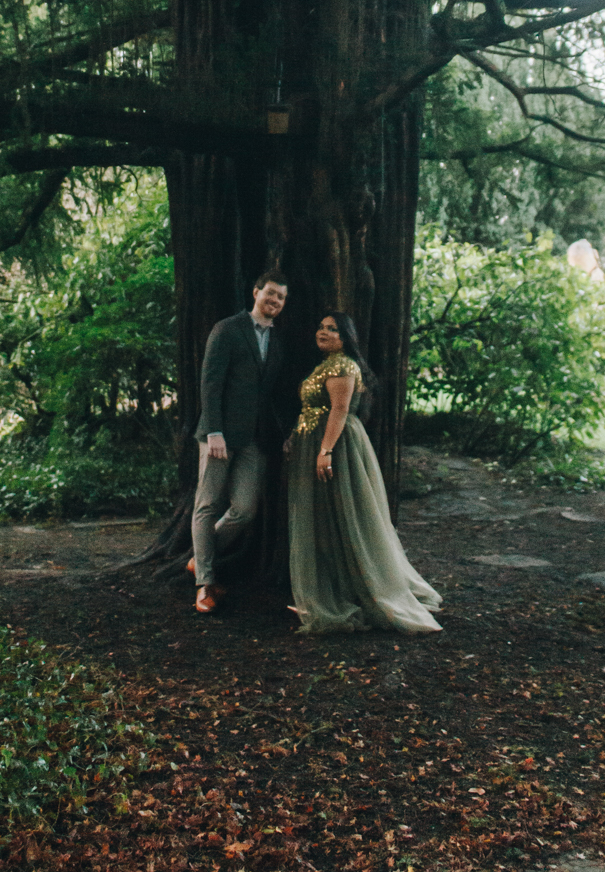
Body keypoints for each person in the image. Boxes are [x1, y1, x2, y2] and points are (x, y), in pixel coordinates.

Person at [286, 311, 442, 635]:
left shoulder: (343, 366)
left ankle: (364, 593)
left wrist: (325, 451)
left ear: (345, 338)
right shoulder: (325, 365)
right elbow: (313, 409)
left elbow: (340, 410)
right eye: (321, 326)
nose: (323, 332)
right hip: (315, 444)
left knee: (347, 517)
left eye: (333, 329)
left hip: (336, 449)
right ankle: (333, 592)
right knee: (325, 520)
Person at [188, 271, 288, 615]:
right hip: (219, 435)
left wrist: (284, 433)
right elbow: (210, 382)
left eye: (281, 297)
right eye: (270, 293)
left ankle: (200, 556)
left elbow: (270, 395)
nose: (275, 301)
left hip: (254, 439)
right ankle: (205, 583)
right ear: (256, 292)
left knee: (245, 510)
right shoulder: (227, 329)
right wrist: (214, 431)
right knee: (207, 505)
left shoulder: (278, 341)